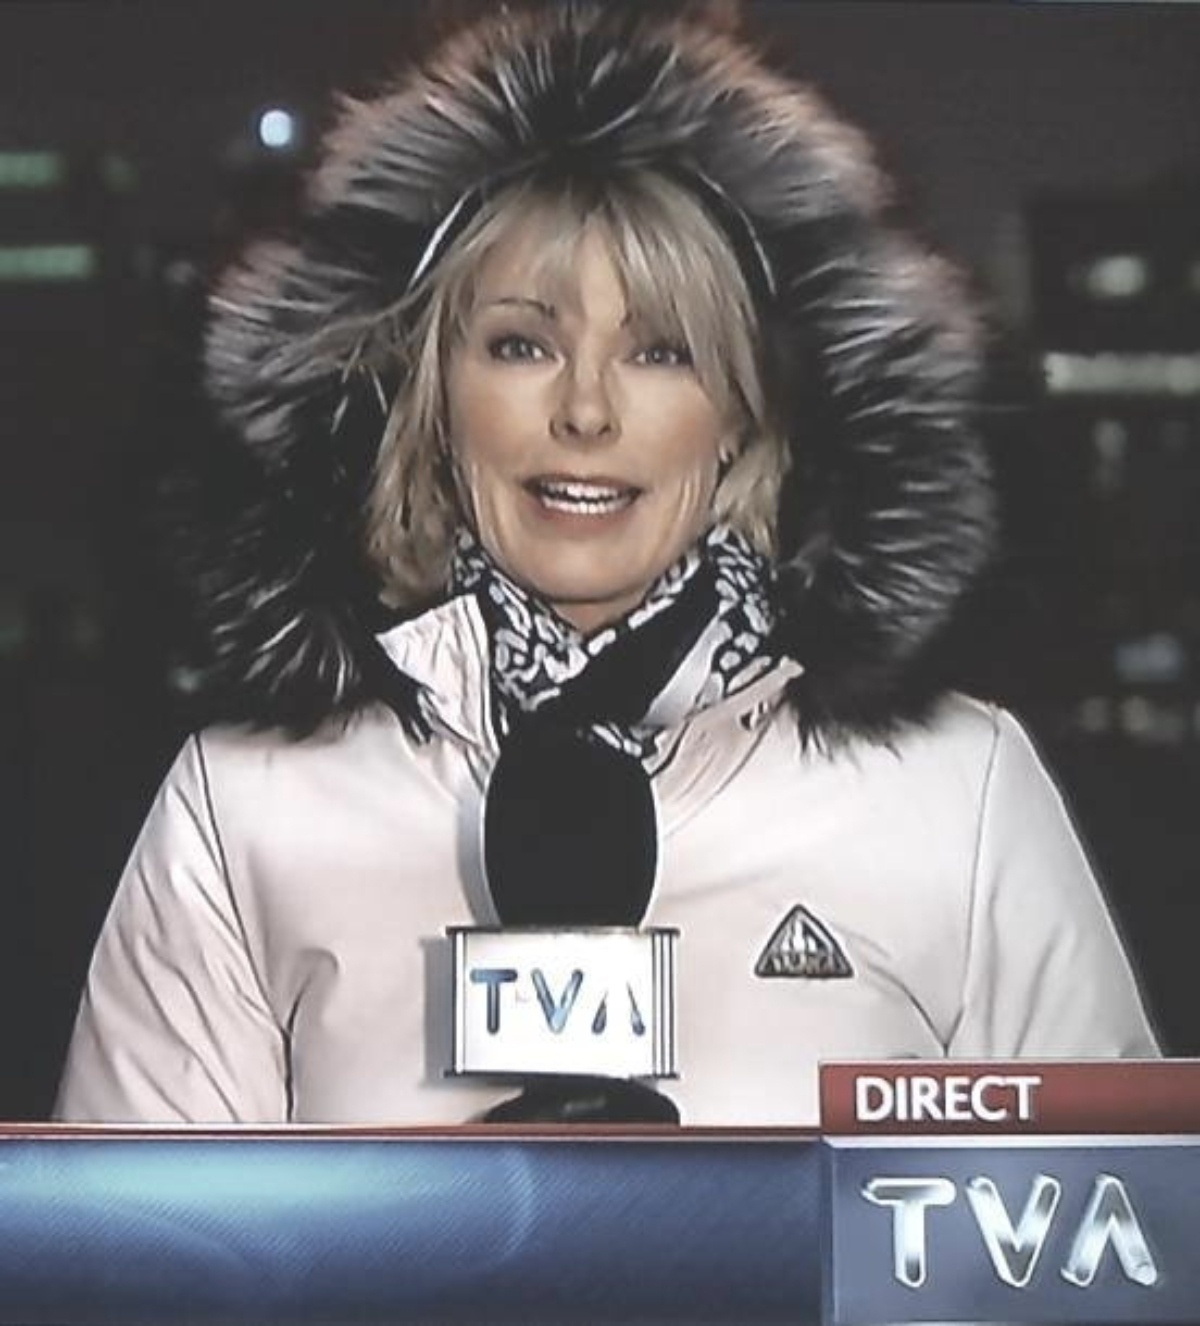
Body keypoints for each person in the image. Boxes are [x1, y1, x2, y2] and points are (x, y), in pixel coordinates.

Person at [55, 1, 1157, 1126]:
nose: (585, 410)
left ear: (740, 414)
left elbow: (1105, 1214)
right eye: (522, 344)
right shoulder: (248, 806)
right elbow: (140, 1228)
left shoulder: (954, 790)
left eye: (660, 351)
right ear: (435, 398)